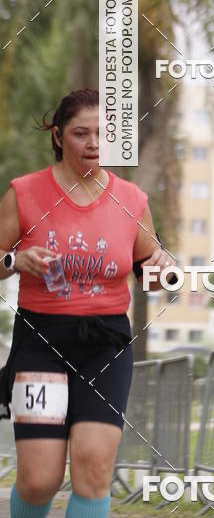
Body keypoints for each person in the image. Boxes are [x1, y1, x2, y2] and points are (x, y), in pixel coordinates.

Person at [0, 88, 175, 518]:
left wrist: (163, 269)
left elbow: (150, 273)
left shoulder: (132, 200)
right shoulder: (24, 193)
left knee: (94, 470)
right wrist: (15, 259)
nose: (94, 143)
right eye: (81, 133)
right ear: (59, 136)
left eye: (103, 133)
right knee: (40, 480)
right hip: (41, 342)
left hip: (106, 344)